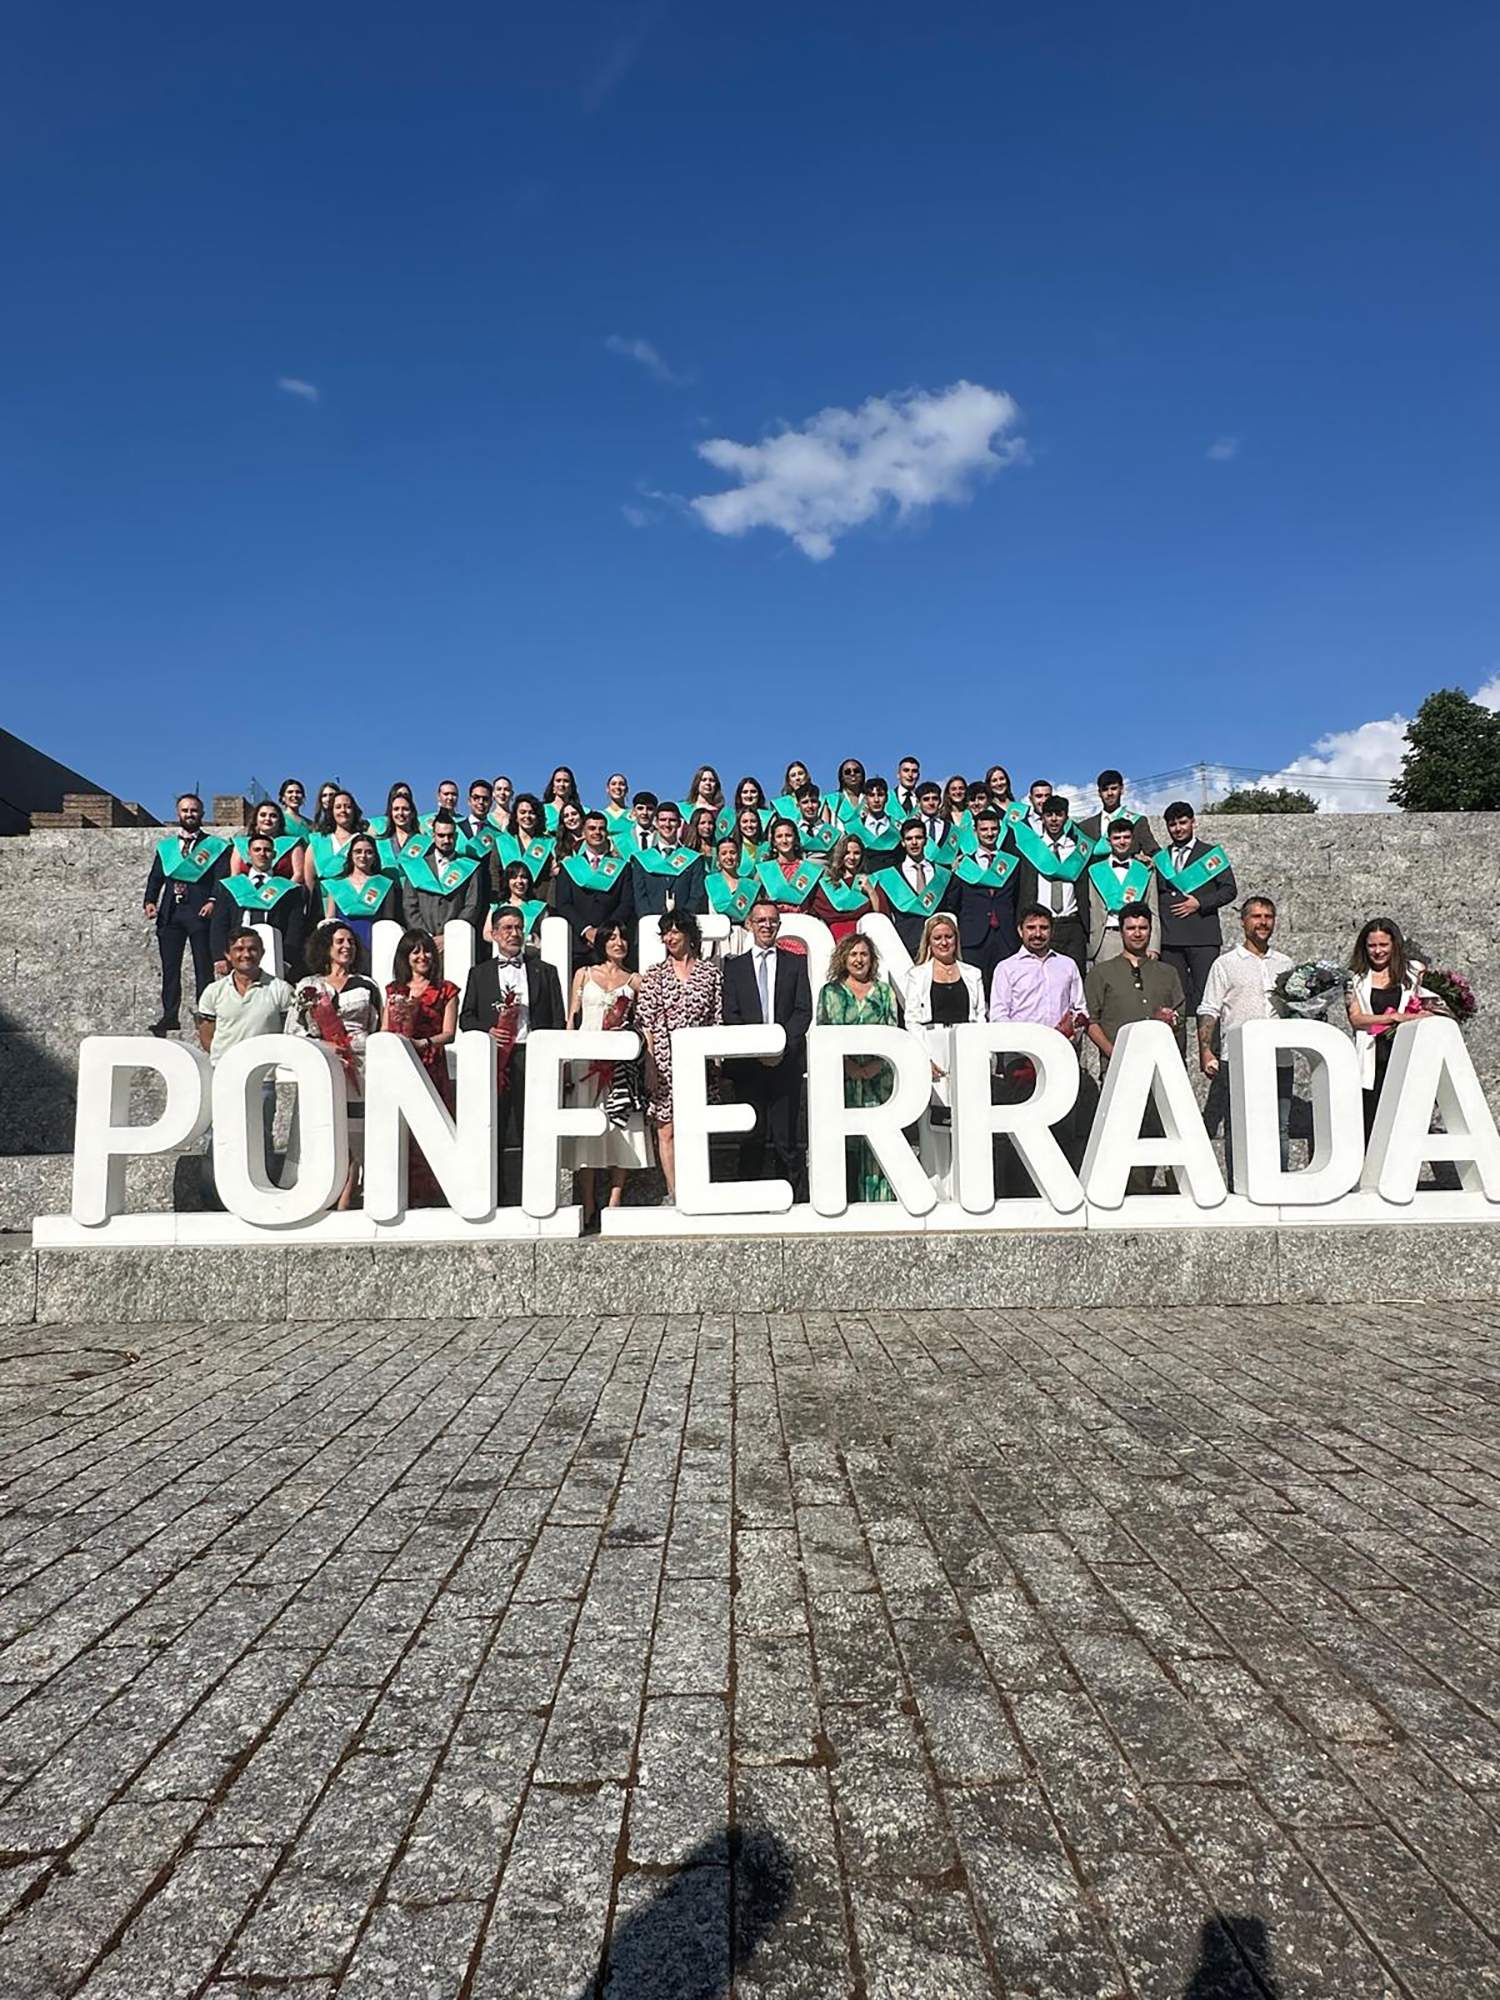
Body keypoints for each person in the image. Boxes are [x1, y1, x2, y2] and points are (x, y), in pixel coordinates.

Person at [459, 904, 566, 1206]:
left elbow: (557, 1019)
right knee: (494, 1126)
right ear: (493, 934)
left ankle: (538, 1194)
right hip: (495, 1060)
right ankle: (496, 1195)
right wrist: (488, 1031)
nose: (514, 933)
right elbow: (466, 1018)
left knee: (534, 1128)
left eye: (518, 927)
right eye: (507, 928)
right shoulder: (478, 974)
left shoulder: (545, 971)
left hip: (534, 1057)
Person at [1085, 906, 1187, 1192]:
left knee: (1157, 1128)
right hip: (1119, 1067)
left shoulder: (1167, 973)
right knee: (1121, 1131)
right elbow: (1091, 1020)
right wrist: (1114, 1052)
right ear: (1121, 931)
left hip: (1158, 1069)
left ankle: (1155, 1186)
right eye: (1131, 928)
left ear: (1150, 931)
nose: (1137, 933)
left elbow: (1179, 1016)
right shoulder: (1101, 973)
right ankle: (1124, 1190)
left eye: (1143, 928)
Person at [989, 905, 1090, 1185]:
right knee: (1022, 1128)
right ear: (1020, 930)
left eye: (1043, 928)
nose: (1037, 934)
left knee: (1061, 1128)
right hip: (1022, 1063)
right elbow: (998, 1016)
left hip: (1060, 1060)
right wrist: (1032, 1042)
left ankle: (1061, 1188)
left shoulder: (1067, 965)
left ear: (1051, 931)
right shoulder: (1006, 968)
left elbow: (1080, 1010)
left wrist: (1071, 1032)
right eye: (1031, 928)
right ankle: (1019, 1192)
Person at [1198, 896, 1296, 1182]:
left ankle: (1280, 1182)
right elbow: (1209, 1009)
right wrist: (1206, 1051)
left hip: (1279, 1058)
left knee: (1280, 1126)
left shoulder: (1285, 963)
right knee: (1238, 1126)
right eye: (1256, 916)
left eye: (1268, 917)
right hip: (1238, 1059)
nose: (1263, 922)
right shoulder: (1225, 964)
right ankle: (1238, 1183)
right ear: (1243, 922)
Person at [721, 898, 813, 1196]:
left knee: (786, 1137)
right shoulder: (734, 967)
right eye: (760, 920)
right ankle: (749, 1196)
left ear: (779, 925)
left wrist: (779, 1047)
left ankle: (796, 1198)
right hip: (749, 1066)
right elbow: (730, 1013)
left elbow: (803, 1010)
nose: (767, 925)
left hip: (785, 1063)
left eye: (772, 920)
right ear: (749, 924)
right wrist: (757, 1049)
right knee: (752, 1135)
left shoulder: (795, 963)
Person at [289, 922, 382, 1208]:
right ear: (326, 946)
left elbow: (378, 1027)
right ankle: (326, 1191)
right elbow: (294, 1029)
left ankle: (353, 1192)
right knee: (329, 1128)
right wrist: (325, 1046)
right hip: (323, 1063)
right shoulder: (309, 986)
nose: (347, 946)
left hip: (360, 1066)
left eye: (351, 942)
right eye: (340, 941)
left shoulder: (367, 984)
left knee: (357, 1131)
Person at [195, 929, 295, 1190]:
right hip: (224, 1076)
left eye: (252, 948)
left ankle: (263, 1192)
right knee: (219, 1136)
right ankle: (214, 1195)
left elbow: (290, 1030)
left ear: (261, 953)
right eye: (239, 949)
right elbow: (207, 1034)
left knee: (260, 1136)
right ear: (228, 955)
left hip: (263, 1079)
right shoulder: (214, 991)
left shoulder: (281, 990)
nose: (246, 954)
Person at [566, 922, 650, 1227]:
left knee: (621, 1128)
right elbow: (571, 1020)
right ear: (601, 942)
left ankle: (615, 1200)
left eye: (623, 937)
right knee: (588, 1128)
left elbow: (645, 1025)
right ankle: (588, 1200)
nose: (619, 942)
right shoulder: (583, 974)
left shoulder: (635, 980)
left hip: (619, 1064)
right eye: (612, 937)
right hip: (585, 1061)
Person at [636, 911, 723, 1201]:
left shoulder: (710, 973)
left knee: (697, 1129)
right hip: (663, 1061)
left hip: (699, 1063)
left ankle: (698, 1186)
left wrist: (715, 1060)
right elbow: (646, 1023)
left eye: (676, 931)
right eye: (666, 933)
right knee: (667, 1130)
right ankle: (674, 1191)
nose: (671, 937)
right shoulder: (654, 974)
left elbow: (716, 1018)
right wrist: (649, 1063)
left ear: (689, 934)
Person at [902, 912, 985, 1193]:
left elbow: (980, 1016)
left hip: (964, 1045)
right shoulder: (918, 974)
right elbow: (911, 1018)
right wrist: (923, 1058)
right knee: (934, 1122)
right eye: (937, 937)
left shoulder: (973, 974)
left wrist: (979, 1056)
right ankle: (937, 1189)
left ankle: (966, 1188)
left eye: (948, 936)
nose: (943, 942)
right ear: (929, 941)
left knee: (966, 1119)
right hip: (932, 1045)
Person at [816, 932, 900, 1202]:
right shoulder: (830, 992)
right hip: (843, 1080)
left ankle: (879, 1205)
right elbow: (823, 1034)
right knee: (846, 1147)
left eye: (864, 954)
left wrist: (875, 1066)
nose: (859, 959)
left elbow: (893, 1031)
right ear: (844, 958)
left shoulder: (884, 991)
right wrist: (849, 1066)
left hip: (879, 1078)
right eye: (853, 954)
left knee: (878, 1147)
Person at [382, 928, 459, 1207]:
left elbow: (449, 1032)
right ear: (405, 957)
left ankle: (436, 1195)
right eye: (415, 951)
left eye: (426, 950)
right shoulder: (394, 990)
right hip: (401, 1066)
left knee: (435, 1125)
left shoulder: (446, 989)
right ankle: (405, 1194)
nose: (422, 956)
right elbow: (384, 1028)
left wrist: (422, 1043)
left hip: (431, 1064)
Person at [144, 793, 230, 1035]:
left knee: (203, 967)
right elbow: (156, 876)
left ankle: (206, 1015)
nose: (189, 814)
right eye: (185, 810)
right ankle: (170, 1016)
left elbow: (220, 878)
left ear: (201, 814)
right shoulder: (167, 848)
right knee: (170, 968)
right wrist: (150, 900)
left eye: (194, 810)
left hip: (200, 911)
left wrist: (213, 900)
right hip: (171, 912)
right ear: (178, 814)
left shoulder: (215, 847)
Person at [1346, 915, 1425, 1141]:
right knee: (1370, 1119)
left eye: (1383, 945)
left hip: (1402, 1051)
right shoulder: (1355, 977)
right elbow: (1357, 1019)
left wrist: (1406, 1019)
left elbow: (1428, 1008)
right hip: (1372, 1054)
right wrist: (1393, 1018)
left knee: (1403, 1118)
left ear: (1394, 945)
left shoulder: (1414, 971)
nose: (1378, 951)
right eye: (1372, 945)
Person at [1155, 803, 1237, 1013]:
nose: (1178, 828)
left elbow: (1229, 890)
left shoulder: (1210, 854)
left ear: (1193, 822)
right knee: (1174, 1003)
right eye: (1172, 824)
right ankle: (1176, 1047)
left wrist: (1200, 903)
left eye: (1183, 822)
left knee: (1208, 1001)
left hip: (1203, 937)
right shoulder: (1160, 860)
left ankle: (1210, 1047)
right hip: (1170, 940)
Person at [1010, 794, 1090, 971]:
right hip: (1040, 926)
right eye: (1049, 815)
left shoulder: (1079, 850)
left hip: (1072, 925)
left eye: (1059, 814)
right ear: (1043, 818)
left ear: (1066, 817)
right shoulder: (1030, 849)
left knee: (1074, 981)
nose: (1054, 819)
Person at [211, 831, 309, 974]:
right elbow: (219, 924)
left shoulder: (289, 889)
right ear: (248, 854)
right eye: (257, 850)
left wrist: (287, 959)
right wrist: (219, 956)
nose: (262, 854)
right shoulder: (231, 886)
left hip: (274, 953)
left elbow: (295, 927)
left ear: (274, 855)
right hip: (237, 949)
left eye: (267, 850)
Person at [951, 806, 1018, 1000]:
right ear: (975, 831)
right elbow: (953, 903)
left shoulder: (1011, 863)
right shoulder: (964, 865)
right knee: (976, 995)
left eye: (994, 829)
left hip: (1005, 937)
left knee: (1005, 994)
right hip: (974, 938)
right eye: (984, 829)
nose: (989, 833)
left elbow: (1017, 897)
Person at [398, 811, 487, 941]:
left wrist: (449, 937)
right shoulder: (417, 867)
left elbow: (472, 906)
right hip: (423, 941)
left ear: (456, 836)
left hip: (457, 941)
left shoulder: (470, 868)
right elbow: (410, 906)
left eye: (450, 835)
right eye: (441, 835)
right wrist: (425, 936)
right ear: (433, 836)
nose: (446, 840)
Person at [555, 811, 632, 957]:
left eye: (601, 829)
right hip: (579, 943)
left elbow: (626, 903)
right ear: (583, 832)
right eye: (592, 828)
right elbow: (563, 904)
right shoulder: (569, 867)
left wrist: (605, 932)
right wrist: (587, 930)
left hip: (613, 942)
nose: (597, 832)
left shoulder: (622, 867)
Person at [875, 818, 955, 956]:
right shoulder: (891, 876)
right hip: (906, 945)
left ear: (926, 840)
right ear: (902, 842)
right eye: (909, 838)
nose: (914, 843)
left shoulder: (942, 874)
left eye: (918, 837)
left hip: (939, 945)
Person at [1085, 820, 1160, 966]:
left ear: (1133, 840)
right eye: (1117, 838)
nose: (1122, 842)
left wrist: (1154, 946)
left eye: (1126, 837)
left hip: (1137, 936)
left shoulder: (1145, 870)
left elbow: (1153, 911)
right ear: (1109, 841)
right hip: (1105, 938)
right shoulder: (1094, 870)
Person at [629, 800, 708, 917]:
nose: (667, 824)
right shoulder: (642, 859)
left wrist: (680, 919)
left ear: (679, 823)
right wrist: (651, 919)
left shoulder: (693, 859)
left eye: (672, 820)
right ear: (655, 823)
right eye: (663, 820)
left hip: (684, 924)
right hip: (650, 924)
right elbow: (640, 897)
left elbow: (697, 895)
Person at [322, 832, 400, 948]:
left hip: (374, 944)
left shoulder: (384, 884)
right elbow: (330, 920)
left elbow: (387, 922)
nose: (363, 856)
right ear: (350, 855)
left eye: (369, 852)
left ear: (375, 856)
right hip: (344, 945)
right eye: (358, 851)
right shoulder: (336, 885)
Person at [811, 832, 885, 941]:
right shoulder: (828, 883)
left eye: (856, 853)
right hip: (835, 935)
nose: (852, 857)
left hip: (865, 934)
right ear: (840, 855)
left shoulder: (871, 881)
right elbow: (825, 913)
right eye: (847, 853)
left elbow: (880, 917)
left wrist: (871, 892)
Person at [754, 817, 821, 926]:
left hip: (803, 924)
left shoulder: (809, 869)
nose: (784, 840)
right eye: (779, 836)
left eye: (788, 836)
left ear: (795, 839)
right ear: (774, 842)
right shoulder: (765, 870)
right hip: (773, 925)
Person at [1076, 770, 1158, 857]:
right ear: (1099, 793)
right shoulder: (1085, 827)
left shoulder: (1138, 822)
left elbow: (1153, 851)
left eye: (1114, 788)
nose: (1109, 793)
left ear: (1122, 790)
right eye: (1105, 790)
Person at [229, 801, 307, 890]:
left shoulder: (293, 844)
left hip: (283, 895)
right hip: (246, 896)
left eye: (273, 816)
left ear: (280, 821)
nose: (267, 819)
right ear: (256, 819)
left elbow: (299, 874)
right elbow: (235, 875)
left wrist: (279, 894)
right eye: (263, 815)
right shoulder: (241, 844)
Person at [307, 789, 365, 898]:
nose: (343, 810)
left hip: (350, 901)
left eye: (347, 807)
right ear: (331, 812)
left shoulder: (362, 841)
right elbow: (309, 879)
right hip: (320, 903)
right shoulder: (318, 841)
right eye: (338, 807)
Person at [496, 793, 554, 882]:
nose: (527, 816)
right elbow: (494, 873)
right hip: (507, 894)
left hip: (540, 894)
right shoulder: (502, 842)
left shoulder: (549, 842)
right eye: (522, 812)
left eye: (532, 813)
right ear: (516, 816)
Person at [706, 835, 758, 929]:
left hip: (744, 933)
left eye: (732, 852)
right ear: (718, 857)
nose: (729, 857)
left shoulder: (749, 885)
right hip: (718, 933)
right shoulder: (710, 881)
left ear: (739, 856)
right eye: (724, 853)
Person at [376, 787, 428, 871]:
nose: (400, 813)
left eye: (405, 809)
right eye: (396, 809)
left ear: (412, 813)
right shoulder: (380, 844)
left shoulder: (424, 843)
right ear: (391, 813)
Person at [858, 775, 900, 867]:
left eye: (880, 795)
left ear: (887, 798)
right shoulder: (857, 827)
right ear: (865, 799)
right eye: (872, 795)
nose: (876, 800)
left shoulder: (897, 828)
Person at [500, 863, 548, 939]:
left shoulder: (538, 907)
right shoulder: (498, 907)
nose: (519, 881)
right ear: (507, 881)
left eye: (523, 877)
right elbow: (486, 933)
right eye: (514, 877)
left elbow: (548, 934)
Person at [793, 783, 838, 859]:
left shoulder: (832, 832)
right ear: (798, 806)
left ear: (819, 804)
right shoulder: (793, 831)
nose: (810, 806)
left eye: (813, 801)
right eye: (805, 802)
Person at [457, 780, 498, 859]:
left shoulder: (496, 834)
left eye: (485, 799)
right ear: (469, 801)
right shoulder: (457, 829)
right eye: (476, 798)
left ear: (491, 803)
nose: (481, 802)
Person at [681, 764, 726, 830]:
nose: (708, 783)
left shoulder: (723, 813)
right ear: (697, 783)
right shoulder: (683, 810)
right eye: (704, 780)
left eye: (712, 780)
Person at [827, 758, 867, 828]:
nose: (852, 774)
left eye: (856, 771)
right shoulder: (831, 800)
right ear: (842, 777)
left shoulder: (870, 799)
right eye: (847, 772)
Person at [542, 765, 582, 830]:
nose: (562, 784)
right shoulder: (542, 810)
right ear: (553, 786)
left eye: (566, 781)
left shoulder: (584, 811)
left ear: (571, 786)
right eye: (558, 781)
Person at [602, 771, 634, 841]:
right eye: (613, 784)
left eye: (621, 784)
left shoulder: (634, 814)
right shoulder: (601, 815)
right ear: (607, 789)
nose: (617, 787)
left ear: (627, 789)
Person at [893, 756, 922, 821]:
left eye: (914, 771)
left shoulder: (924, 800)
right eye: (906, 770)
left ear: (918, 776)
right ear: (898, 774)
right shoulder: (887, 797)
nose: (910, 774)